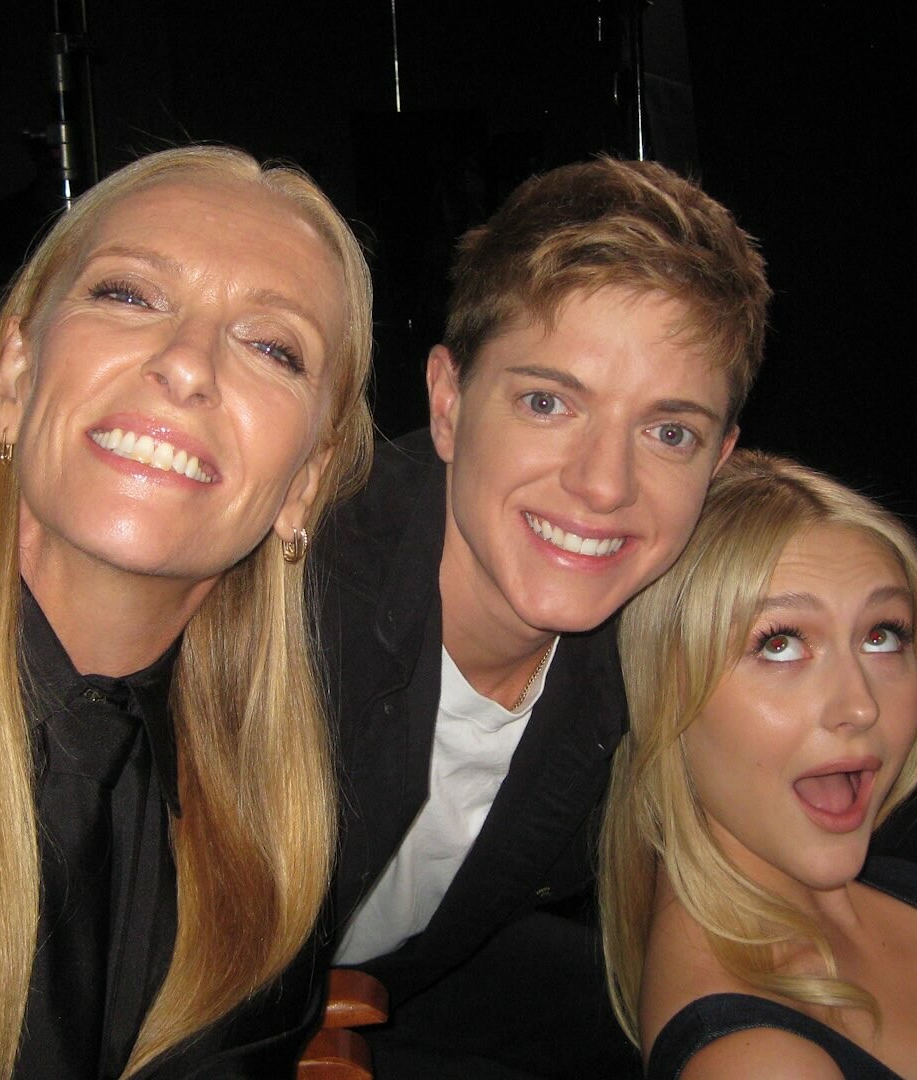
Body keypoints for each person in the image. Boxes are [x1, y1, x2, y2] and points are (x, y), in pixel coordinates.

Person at [0, 145, 372, 1078]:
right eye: (130, 295)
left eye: (272, 347)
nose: (186, 365)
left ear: (306, 480)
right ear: (16, 374)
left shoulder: (269, 832)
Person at [316, 157, 771, 1076]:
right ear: (448, 404)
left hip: (411, 978)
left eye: (669, 432)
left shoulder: (654, 635)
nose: (603, 484)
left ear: (719, 462)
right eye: (547, 402)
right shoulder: (295, 588)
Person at [599, 450, 917, 1078]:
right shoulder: (758, 1061)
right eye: (780, 643)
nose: (861, 706)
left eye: (881, 636)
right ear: (658, 691)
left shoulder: (907, 883)